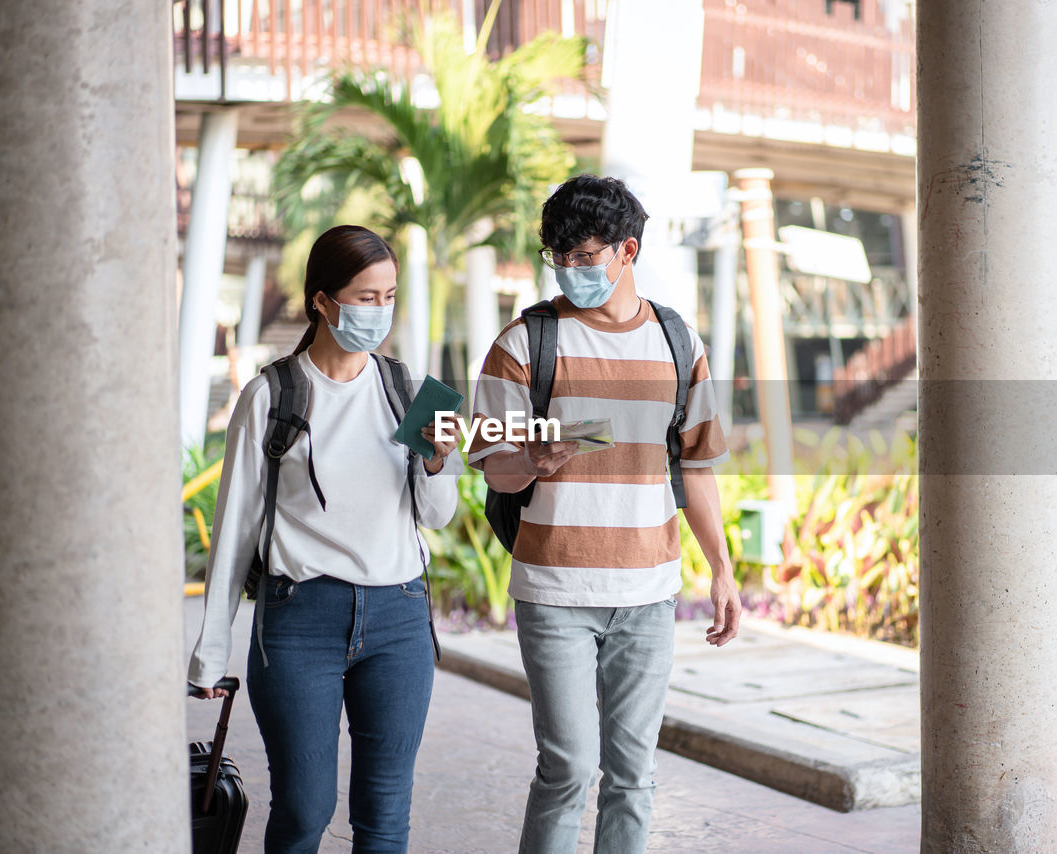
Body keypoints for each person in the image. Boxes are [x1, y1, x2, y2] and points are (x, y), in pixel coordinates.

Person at [468, 175, 740, 854]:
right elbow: (490, 465)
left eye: (585, 258)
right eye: (559, 259)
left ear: (628, 250)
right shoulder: (525, 343)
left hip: (648, 595)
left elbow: (698, 468)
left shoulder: (680, 345)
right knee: (567, 769)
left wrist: (723, 571)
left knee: (633, 776)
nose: (571, 272)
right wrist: (533, 459)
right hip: (556, 592)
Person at [188, 224, 462, 853]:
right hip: (299, 620)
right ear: (323, 301)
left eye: (389, 296)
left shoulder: (415, 393)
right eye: (366, 297)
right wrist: (211, 650)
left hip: (398, 617)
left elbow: (439, 516)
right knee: (304, 812)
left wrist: (438, 461)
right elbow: (234, 531)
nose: (381, 312)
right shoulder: (271, 396)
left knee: (386, 814)